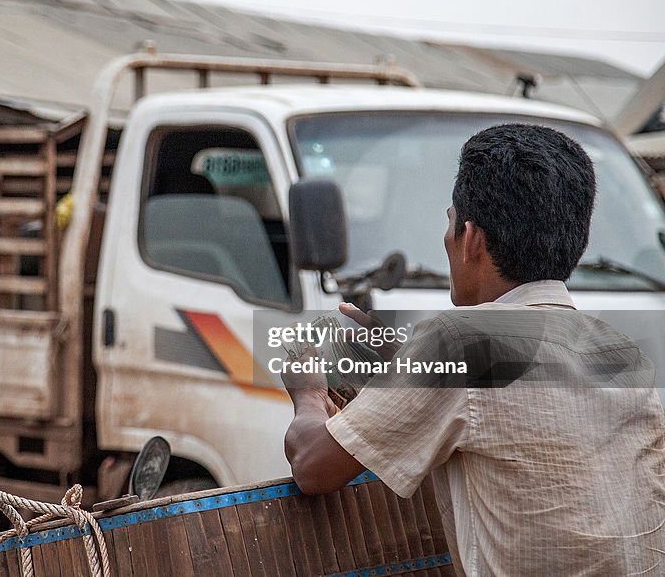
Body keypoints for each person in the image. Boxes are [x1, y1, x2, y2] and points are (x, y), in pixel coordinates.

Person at [282, 124, 665, 575]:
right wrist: (402, 361)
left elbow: (312, 465)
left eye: (449, 225)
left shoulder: (460, 339)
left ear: (471, 240)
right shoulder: (622, 353)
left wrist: (307, 391)